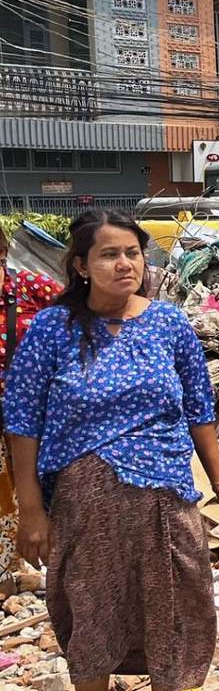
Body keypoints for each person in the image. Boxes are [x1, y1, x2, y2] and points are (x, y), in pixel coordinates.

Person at [5, 210, 219, 691]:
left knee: (174, 595)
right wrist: (30, 508)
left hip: (165, 491)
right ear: (81, 266)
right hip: (85, 499)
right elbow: (22, 420)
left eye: (133, 252)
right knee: (88, 601)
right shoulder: (51, 330)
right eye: (109, 254)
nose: (125, 264)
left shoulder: (169, 325)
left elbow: (199, 408)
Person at [0, 230, 61, 586]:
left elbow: (77, 316)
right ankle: (8, 569)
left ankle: (52, 558)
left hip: (34, 412)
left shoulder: (30, 287)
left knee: (40, 485)